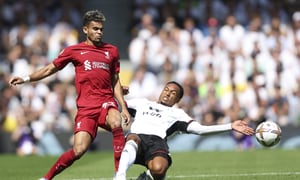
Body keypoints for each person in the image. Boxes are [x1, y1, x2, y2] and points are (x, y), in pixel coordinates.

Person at [9, 10, 131, 180]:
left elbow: (115, 81)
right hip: (86, 109)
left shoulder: (112, 51)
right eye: (95, 29)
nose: (99, 32)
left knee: (116, 122)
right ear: (85, 30)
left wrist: (123, 107)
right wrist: (26, 78)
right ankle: (46, 178)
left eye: (101, 29)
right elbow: (49, 69)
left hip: (106, 103)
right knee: (78, 150)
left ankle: (119, 174)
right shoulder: (74, 51)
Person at [114, 81, 254, 180]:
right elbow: (116, 103)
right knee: (132, 138)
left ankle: (145, 178)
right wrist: (116, 91)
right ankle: (120, 177)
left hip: (157, 143)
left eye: (173, 93)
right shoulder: (142, 103)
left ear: (178, 99)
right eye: (166, 90)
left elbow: (200, 130)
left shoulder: (178, 114)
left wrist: (230, 126)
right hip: (137, 138)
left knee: (159, 170)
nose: (168, 94)